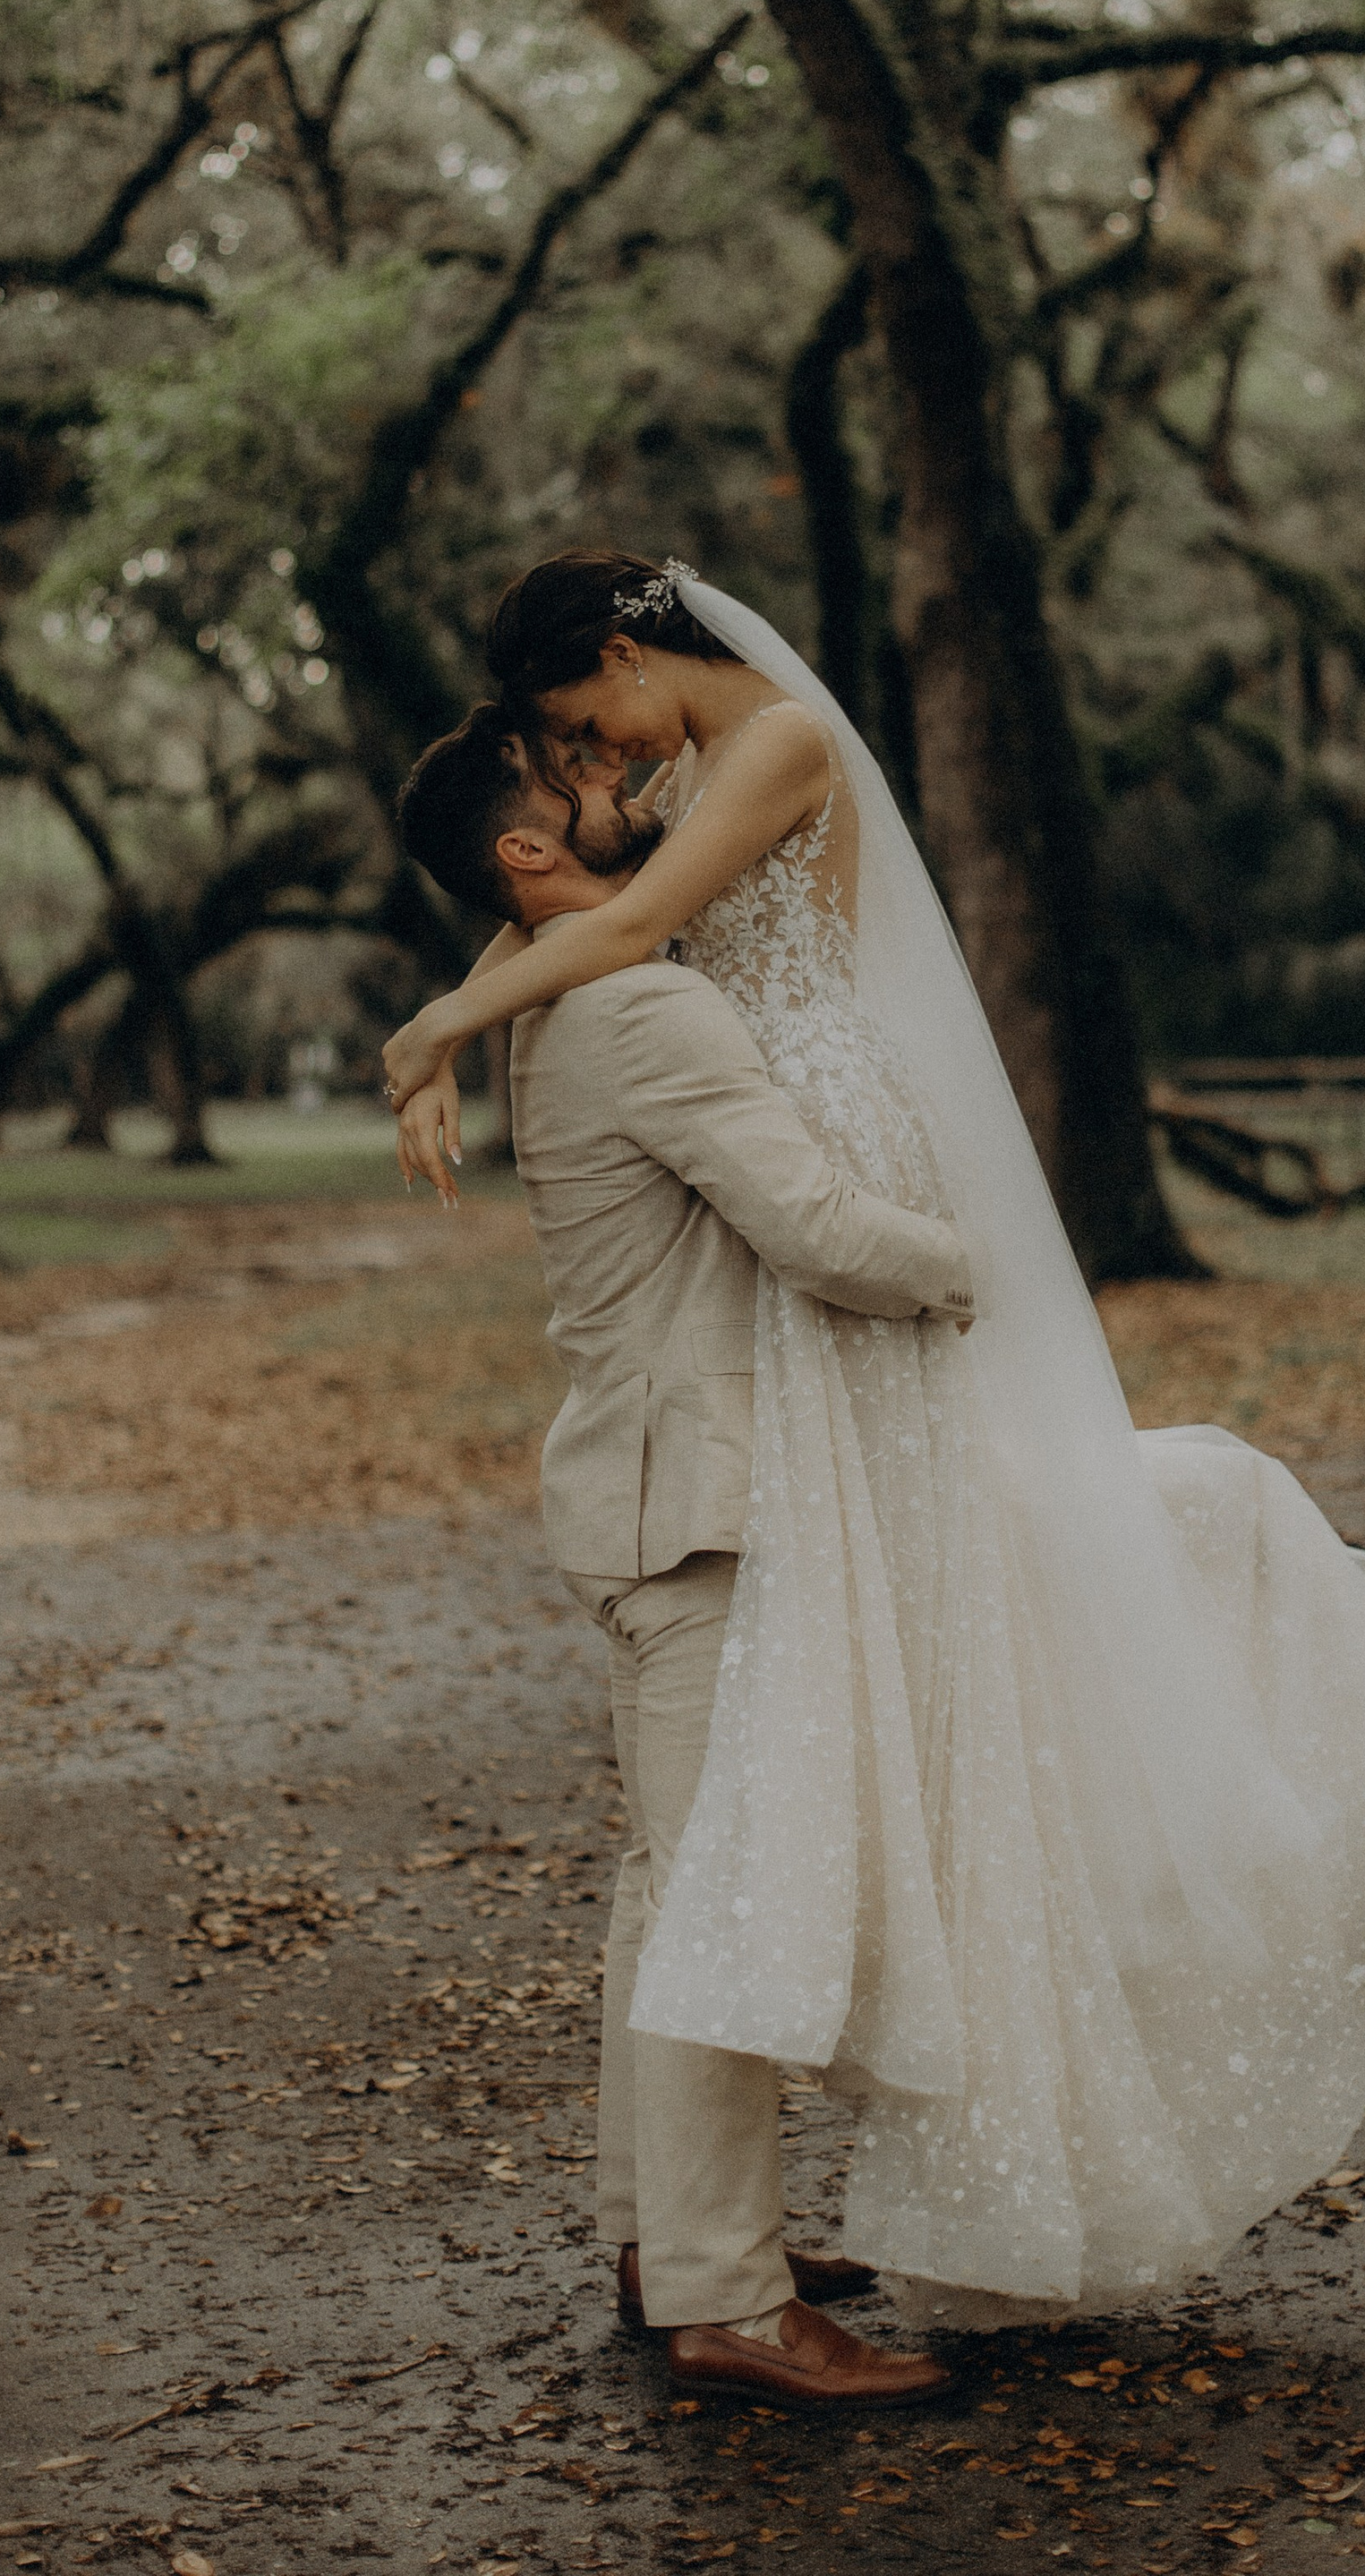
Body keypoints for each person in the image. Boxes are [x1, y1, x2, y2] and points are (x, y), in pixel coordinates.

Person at [388, 555, 1365, 2326]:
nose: (592, 765)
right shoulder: (648, 850)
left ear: (625, 653)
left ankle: (689, 2239)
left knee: (744, 1807)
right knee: (718, 1843)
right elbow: (557, 899)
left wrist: (446, 1027)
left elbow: (586, 911)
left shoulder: (763, 746)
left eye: (577, 724)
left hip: (813, 1136)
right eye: (562, 759)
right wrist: (464, 1002)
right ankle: (698, 2263)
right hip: (784, 1192)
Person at [394, 700, 976, 2411]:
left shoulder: (544, 980)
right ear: (528, 848)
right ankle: (727, 2295)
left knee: (669, 1888)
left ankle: (670, 2234)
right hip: (699, 1505)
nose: (631, 779)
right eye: (585, 772)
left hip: (646, 1492)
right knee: (718, 1893)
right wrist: (991, 1267)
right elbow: (821, 1233)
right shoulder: (635, 1002)